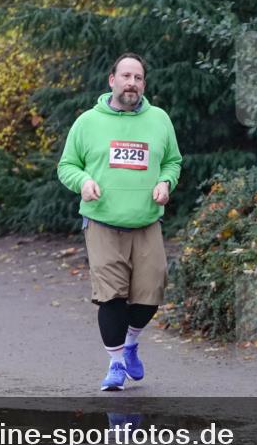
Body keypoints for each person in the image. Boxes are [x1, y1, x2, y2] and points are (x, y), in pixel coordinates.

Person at [57, 53, 182, 391]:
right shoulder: (87, 122)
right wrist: (82, 181)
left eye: (138, 78)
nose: (131, 83)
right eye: (125, 76)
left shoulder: (159, 119)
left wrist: (165, 182)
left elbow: (172, 161)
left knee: (150, 293)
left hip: (146, 222)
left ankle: (130, 343)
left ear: (144, 84)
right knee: (112, 296)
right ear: (111, 80)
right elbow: (67, 165)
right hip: (103, 222)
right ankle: (115, 365)